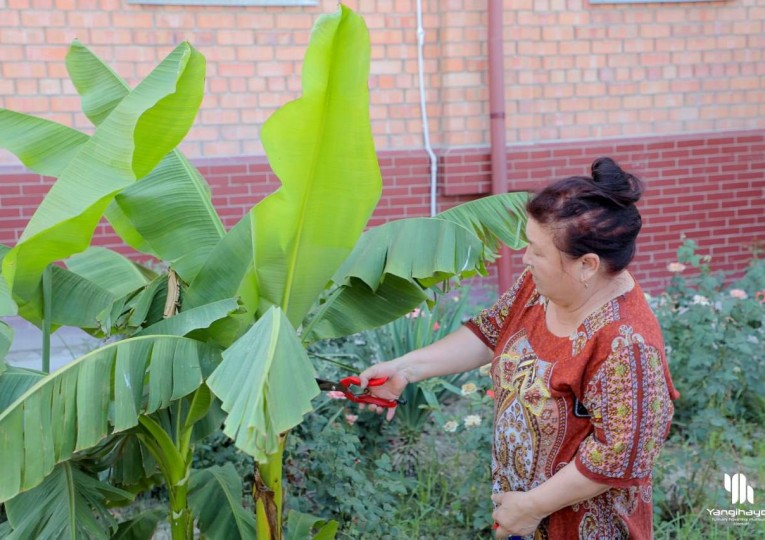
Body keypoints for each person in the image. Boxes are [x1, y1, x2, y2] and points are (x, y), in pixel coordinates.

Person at [358, 157, 680, 539]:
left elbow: (620, 455)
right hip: (521, 517)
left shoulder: (626, 344)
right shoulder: (540, 288)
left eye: (537, 251)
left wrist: (530, 508)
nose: (525, 258)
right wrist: (407, 368)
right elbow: (490, 332)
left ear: (587, 265)